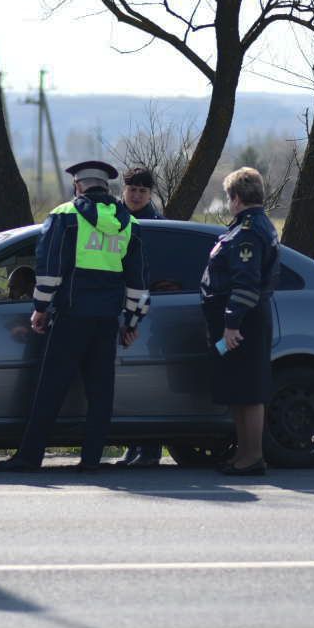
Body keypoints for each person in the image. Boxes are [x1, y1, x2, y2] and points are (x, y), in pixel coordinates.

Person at [0, 161, 151, 473]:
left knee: (51, 388)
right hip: (106, 320)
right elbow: (138, 279)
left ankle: (29, 456)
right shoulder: (129, 223)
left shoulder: (66, 215)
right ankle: (91, 460)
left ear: (78, 185)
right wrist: (132, 322)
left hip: (71, 316)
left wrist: (40, 307)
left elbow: (49, 265)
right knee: (101, 392)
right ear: (106, 187)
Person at [200, 166, 279, 476]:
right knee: (237, 389)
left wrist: (231, 324)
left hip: (242, 322)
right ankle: (243, 454)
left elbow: (246, 284)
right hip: (238, 320)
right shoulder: (253, 226)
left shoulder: (247, 231)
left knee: (248, 391)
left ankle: (252, 456)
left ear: (235, 197)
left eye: (228, 196)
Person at [117, 166, 167, 468]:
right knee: (127, 381)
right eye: (132, 190)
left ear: (150, 194)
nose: (136, 196)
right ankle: (133, 443)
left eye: (142, 191)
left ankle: (150, 447)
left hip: (148, 306)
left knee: (146, 381)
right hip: (120, 302)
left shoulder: (156, 224)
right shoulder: (115, 218)